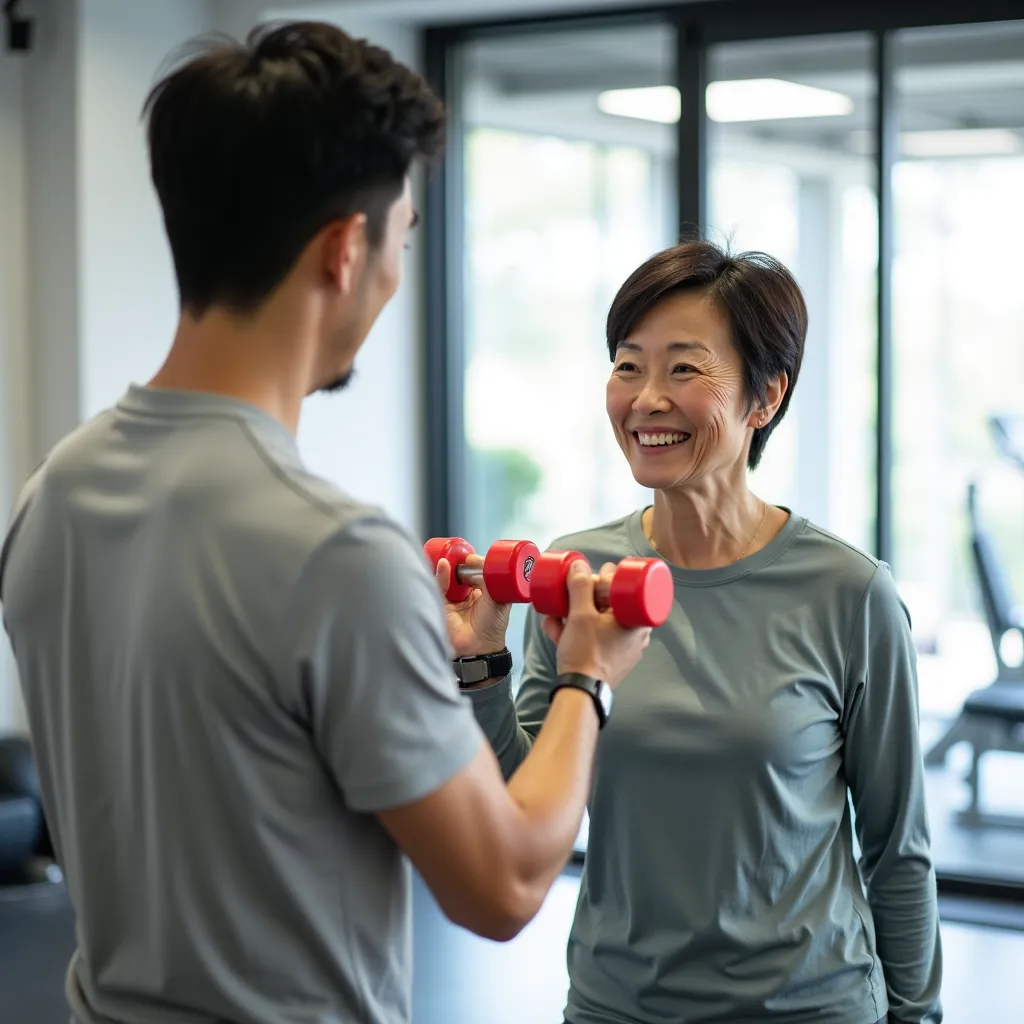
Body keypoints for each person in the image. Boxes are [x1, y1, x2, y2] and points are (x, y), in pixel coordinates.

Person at [0, 21, 651, 1024]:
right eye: (400, 241)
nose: (395, 278)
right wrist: (588, 673)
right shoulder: (335, 553)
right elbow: (506, 882)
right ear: (346, 250)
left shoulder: (53, 494)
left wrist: (433, 669)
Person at [460, 240, 944, 1024]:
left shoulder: (850, 592)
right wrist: (479, 661)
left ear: (767, 396)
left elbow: (897, 849)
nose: (647, 398)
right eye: (627, 365)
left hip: (811, 1007)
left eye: (684, 369)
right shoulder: (580, 576)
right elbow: (523, 795)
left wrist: (917, 1016)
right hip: (618, 1004)